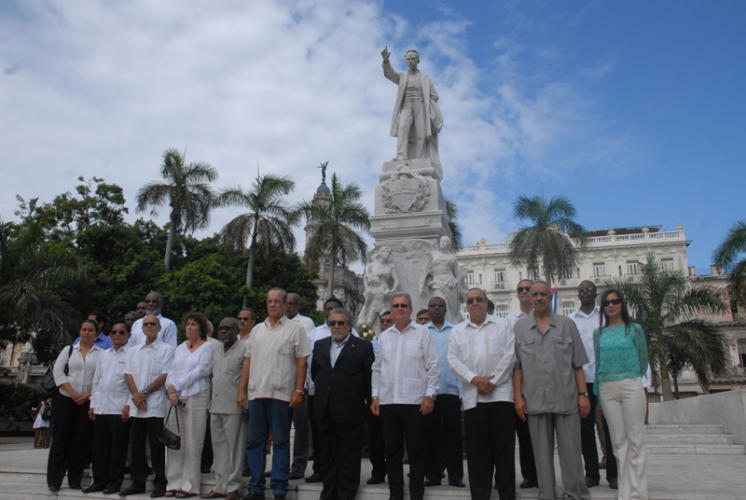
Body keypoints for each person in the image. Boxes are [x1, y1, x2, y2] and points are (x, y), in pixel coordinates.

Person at [513, 281, 591, 500]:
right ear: (528, 297)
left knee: (572, 454)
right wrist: (518, 397)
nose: (538, 298)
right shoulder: (519, 328)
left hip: (566, 399)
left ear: (549, 297)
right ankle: (546, 495)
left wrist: (583, 395)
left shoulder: (567, 325)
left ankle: (575, 494)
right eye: (534, 294)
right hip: (535, 402)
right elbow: (517, 368)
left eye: (542, 294)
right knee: (542, 457)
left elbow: (578, 364)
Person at [237, 288, 311, 500]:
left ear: (286, 304)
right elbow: (248, 361)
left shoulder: (295, 330)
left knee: (280, 442)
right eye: (270, 301)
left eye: (277, 301)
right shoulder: (257, 330)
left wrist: (298, 390)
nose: (273, 305)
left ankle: (279, 487)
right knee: (255, 442)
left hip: (282, 395)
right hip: (257, 393)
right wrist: (241, 390)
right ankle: (256, 486)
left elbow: (301, 361)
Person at [448, 288, 515, 500]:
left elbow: (510, 356)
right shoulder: (458, 331)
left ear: (486, 303)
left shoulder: (503, 325)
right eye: (470, 301)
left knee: (504, 455)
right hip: (473, 400)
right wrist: (475, 380)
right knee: (477, 456)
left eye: (479, 299)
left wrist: (492, 383)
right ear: (466, 306)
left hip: (501, 396)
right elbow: (453, 360)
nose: (475, 303)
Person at [370, 292, 439, 500]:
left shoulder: (423, 333)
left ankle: (417, 494)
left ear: (410, 309)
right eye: (396, 306)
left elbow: (434, 366)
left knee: (417, 452)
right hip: (389, 403)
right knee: (392, 453)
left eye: (403, 306)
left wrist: (430, 396)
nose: (399, 309)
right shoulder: (384, 336)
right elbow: (377, 368)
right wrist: (375, 396)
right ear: (391, 310)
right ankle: (396, 494)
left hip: (414, 403)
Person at [311, 307, 375, 500]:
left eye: (341, 323)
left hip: (351, 410)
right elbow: (316, 373)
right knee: (327, 456)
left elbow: (369, 378)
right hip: (325, 410)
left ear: (349, 325)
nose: (337, 327)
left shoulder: (362, 347)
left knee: (349, 457)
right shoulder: (320, 345)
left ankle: (346, 494)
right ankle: (328, 493)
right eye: (333, 323)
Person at [594, 289, 649, 500]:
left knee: (636, 439)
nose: (611, 305)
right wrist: (598, 394)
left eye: (615, 301)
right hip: (607, 388)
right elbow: (598, 363)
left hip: (630, 384)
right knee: (618, 442)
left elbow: (643, 357)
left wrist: (634, 376)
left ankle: (639, 492)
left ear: (622, 304)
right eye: (607, 302)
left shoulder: (634, 329)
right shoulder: (598, 334)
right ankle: (625, 492)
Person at [568, 281, 618, 489]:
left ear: (595, 293)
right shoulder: (570, 321)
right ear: (578, 295)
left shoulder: (605, 316)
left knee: (610, 427)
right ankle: (592, 473)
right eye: (582, 290)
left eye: (589, 289)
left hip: (605, 379)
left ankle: (614, 475)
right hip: (581, 383)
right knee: (585, 430)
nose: (585, 292)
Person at [47, 319, 104, 492]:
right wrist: (73, 393)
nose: (87, 333)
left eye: (90, 330)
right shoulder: (70, 350)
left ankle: (75, 479)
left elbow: (101, 378)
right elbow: (58, 372)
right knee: (60, 439)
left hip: (86, 400)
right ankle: (54, 479)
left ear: (96, 334)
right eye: (84, 329)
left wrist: (86, 396)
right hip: (66, 398)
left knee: (80, 441)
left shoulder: (101, 353)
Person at [121, 314, 174, 498]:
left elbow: (164, 375)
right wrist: (136, 396)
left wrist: (144, 394)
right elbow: (128, 374)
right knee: (136, 446)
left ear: (159, 328)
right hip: (137, 406)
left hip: (155, 406)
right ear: (142, 328)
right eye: (146, 324)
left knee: (156, 446)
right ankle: (138, 482)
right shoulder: (134, 351)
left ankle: (160, 483)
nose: (149, 326)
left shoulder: (167, 349)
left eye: (153, 324)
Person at [164, 312, 213, 498]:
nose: (189, 328)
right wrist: (171, 389)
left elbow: (201, 371)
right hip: (176, 399)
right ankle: (173, 481)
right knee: (176, 442)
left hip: (197, 396)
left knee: (193, 442)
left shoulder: (207, 347)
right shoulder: (180, 348)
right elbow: (171, 370)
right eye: (187, 325)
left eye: (193, 324)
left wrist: (177, 387)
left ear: (201, 328)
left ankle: (189, 484)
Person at [201, 318, 248, 500]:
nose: (223, 332)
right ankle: (220, 486)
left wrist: (246, 403)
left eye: (228, 329)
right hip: (216, 406)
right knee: (219, 449)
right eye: (221, 329)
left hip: (235, 406)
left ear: (237, 330)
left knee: (235, 450)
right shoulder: (215, 349)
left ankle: (233, 487)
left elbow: (248, 379)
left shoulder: (245, 349)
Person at [86, 321, 132, 494]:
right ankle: (99, 480)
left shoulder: (131, 355)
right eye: (114, 332)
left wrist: (129, 405)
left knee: (117, 449)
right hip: (101, 407)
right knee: (99, 448)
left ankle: (114, 482)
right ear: (110, 335)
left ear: (128, 335)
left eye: (121, 332)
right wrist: (93, 404)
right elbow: (96, 381)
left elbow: (132, 383)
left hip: (119, 408)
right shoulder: (104, 355)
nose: (117, 335)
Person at [423, 296, 464, 488]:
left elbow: (461, 359)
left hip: (450, 391)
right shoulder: (421, 332)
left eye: (440, 306)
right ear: (428, 310)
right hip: (429, 394)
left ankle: (456, 476)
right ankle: (433, 475)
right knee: (430, 435)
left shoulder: (456, 331)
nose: (437, 309)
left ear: (445, 309)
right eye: (433, 306)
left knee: (453, 436)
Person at [381, 47, 442, 169]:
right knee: (403, 129)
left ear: (418, 60)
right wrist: (386, 62)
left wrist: (427, 103)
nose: (411, 61)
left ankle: (419, 159)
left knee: (421, 133)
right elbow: (390, 74)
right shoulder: (402, 76)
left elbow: (435, 95)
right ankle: (401, 156)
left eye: (413, 59)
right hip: (406, 106)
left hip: (420, 106)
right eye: (408, 59)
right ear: (406, 61)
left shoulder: (425, 78)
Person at [506, 279, 538, 489]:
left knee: (543, 434)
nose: (525, 292)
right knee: (524, 434)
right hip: (519, 384)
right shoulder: (509, 322)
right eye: (521, 289)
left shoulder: (545, 318)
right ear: (517, 294)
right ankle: (529, 474)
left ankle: (544, 472)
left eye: (529, 289)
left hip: (543, 383)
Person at [285, 293, 316, 481]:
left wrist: (303, 384)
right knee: (280, 427)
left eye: (292, 304)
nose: (289, 307)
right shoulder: (274, 324)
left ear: (298, 306)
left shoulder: (305, 323)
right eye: (286, 303)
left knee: (300, 429)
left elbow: (305, 354)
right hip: (280, 383)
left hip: (298, 383)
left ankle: (298, 466)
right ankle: (281, 465)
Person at [365, 311, 391, 485]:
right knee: (376, 437)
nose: (386, 324)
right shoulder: (372, 344)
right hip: (376, 396)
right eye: (383, 321)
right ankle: (378, 471)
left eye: (389, 321)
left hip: (397, 396)